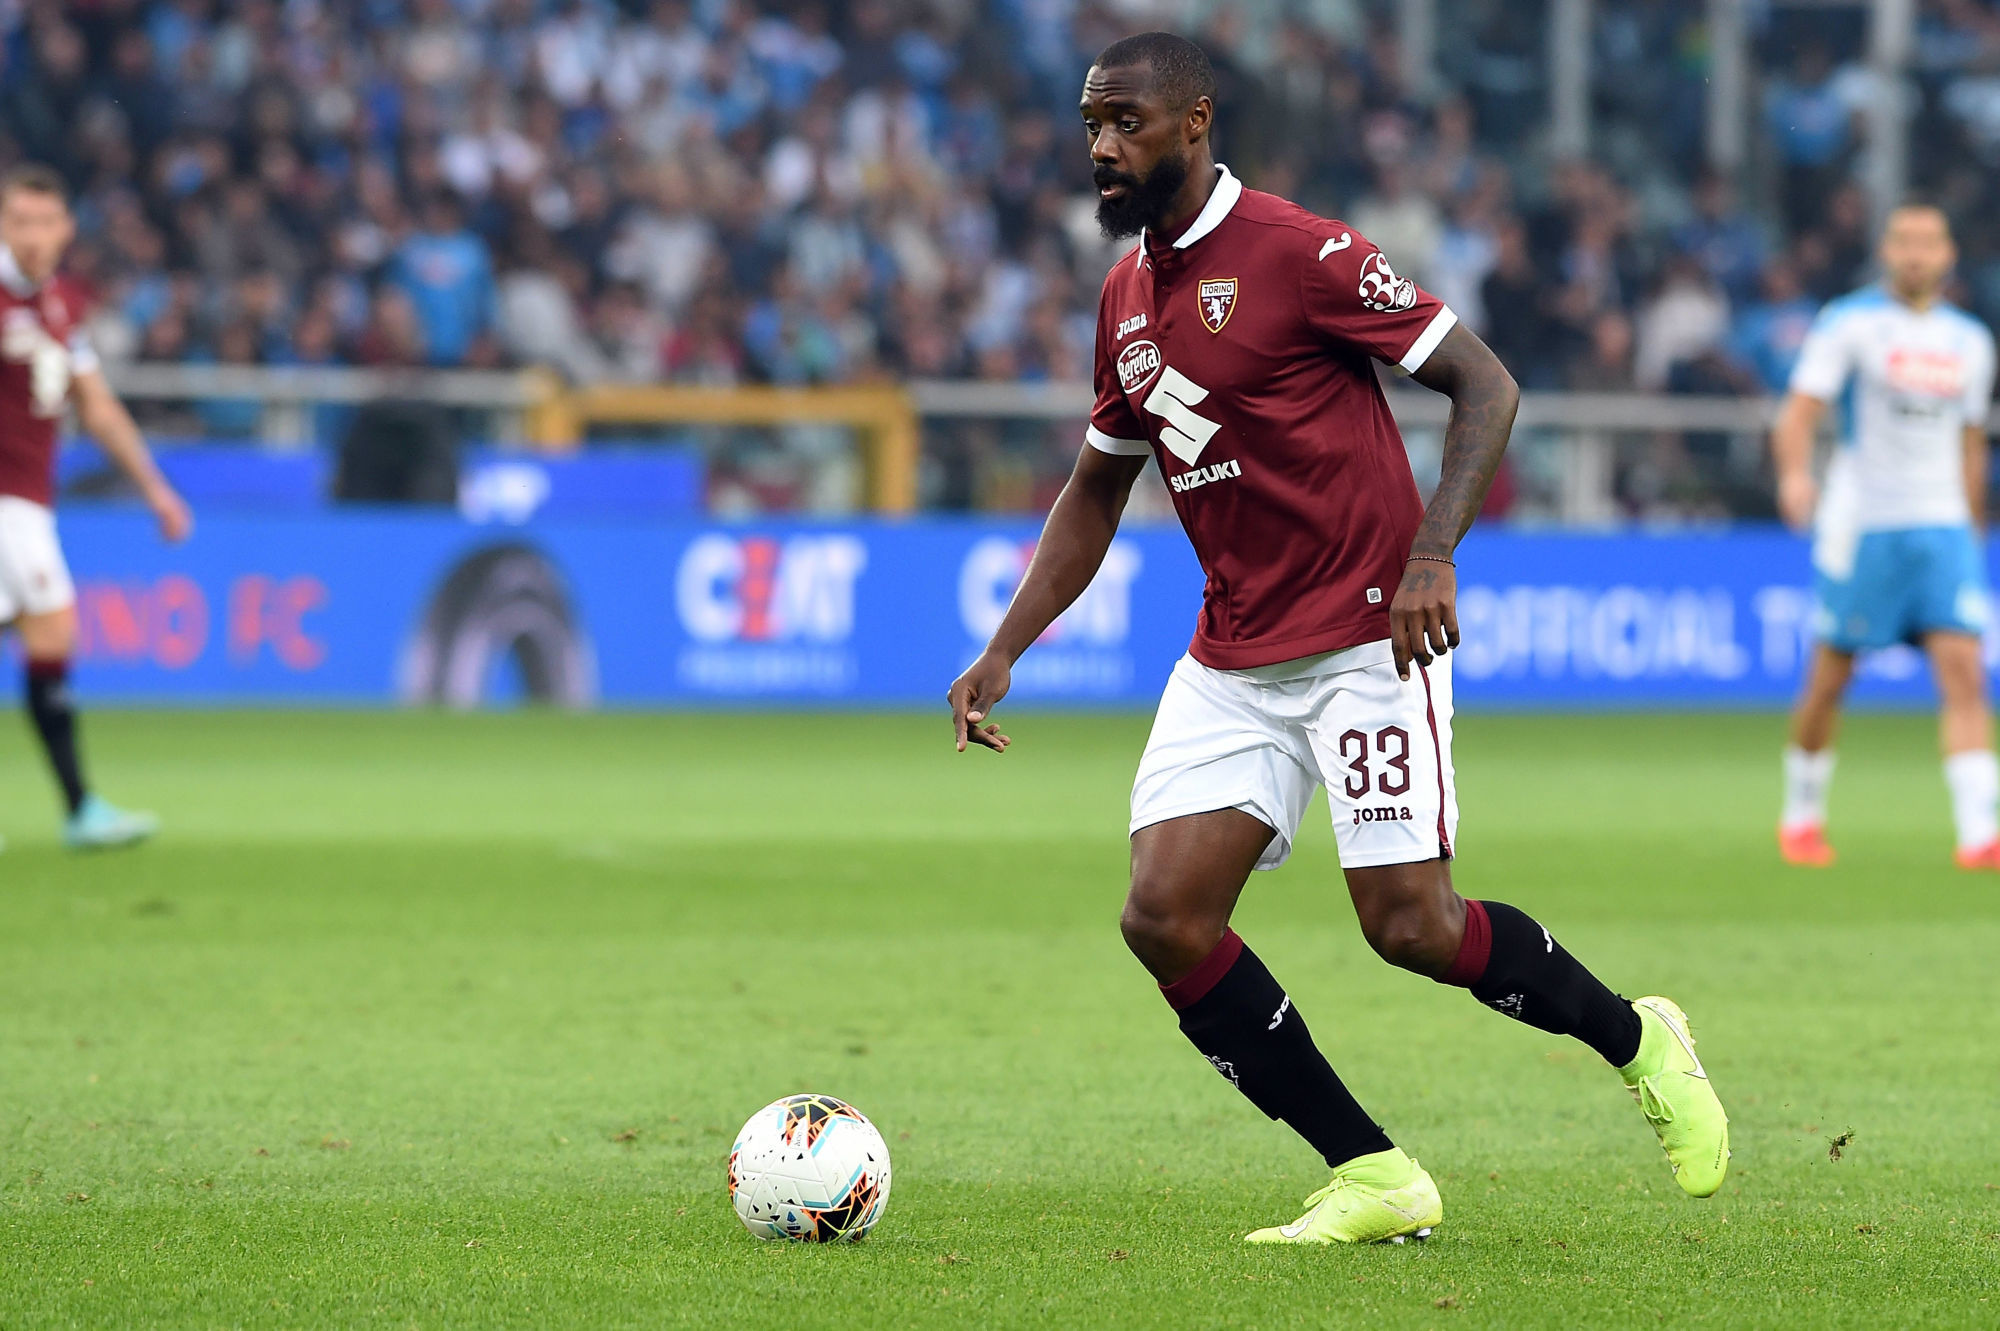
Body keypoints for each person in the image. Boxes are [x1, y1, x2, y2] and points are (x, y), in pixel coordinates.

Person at [946, 33, 1729, 1245]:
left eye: (1126, 122)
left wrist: (1431, 552)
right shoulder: (1122, 299)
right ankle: (1371, 1170)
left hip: (1369, 639)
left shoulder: (1299, 252)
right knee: (1162, 914)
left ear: (1194, 120)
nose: (1102, 146)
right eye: (1091, 123)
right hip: (1233, 658)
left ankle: (1639, 1040)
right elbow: (1099, 484)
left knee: (1409, 925)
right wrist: (1007, 645)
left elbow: (1485, 384)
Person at [1773, 203, 1998, 868]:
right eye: (1904, 241)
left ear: (1949, 253)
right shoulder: (1850, 322)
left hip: (1942, 527)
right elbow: (1800, 411)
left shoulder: (1972, 341)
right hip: (1864, 522)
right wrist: (1793, 476)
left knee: (1963, 671)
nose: (1917, 254)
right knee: (1831, 676)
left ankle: (1979, 833)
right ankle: (1801, 815)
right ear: (1887, 252)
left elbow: (1969, 443)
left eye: (1929, 242)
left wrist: (1972, 523)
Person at [0, 164, 191, 851]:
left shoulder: (60, 304)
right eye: (19, 220)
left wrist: (154, 487)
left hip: (28, 503)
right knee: (52, 632)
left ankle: (81, 807)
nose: (33, 235)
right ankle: (80, 808)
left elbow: (98, 406)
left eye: (45, 221)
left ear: (67, 228)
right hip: (6, 509)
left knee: (48, 637)